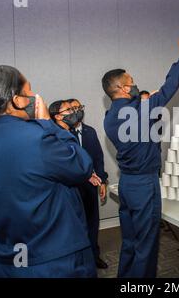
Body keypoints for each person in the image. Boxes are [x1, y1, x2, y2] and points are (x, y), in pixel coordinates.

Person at [0, 66, 96, 277]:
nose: (35, 98)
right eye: (30, 92)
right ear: (17, 100)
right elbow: (82, 166)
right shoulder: (37, 137)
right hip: (54, 259)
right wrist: (49, 124)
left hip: (11, 257)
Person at [102, 35, 179, 278]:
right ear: (121, 88)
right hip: (144, 184)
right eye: (131, 81)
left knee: (130, 241)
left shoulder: (110, 117)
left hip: (127, 184)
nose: (134, 84)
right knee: (147, 245)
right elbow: (169, 87)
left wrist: (147, 106)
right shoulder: (139, 110)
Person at [67, 98, 109, 269]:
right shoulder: (62, 133)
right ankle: (78, 261)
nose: (77, 111)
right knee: (75, 224)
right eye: (73, 108)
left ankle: (94, 256)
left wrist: (103, 181)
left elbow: (98, 158)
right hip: (72, 188)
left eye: (79, 107)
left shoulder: (90, 131)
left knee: (92, 222)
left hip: (91, 187)